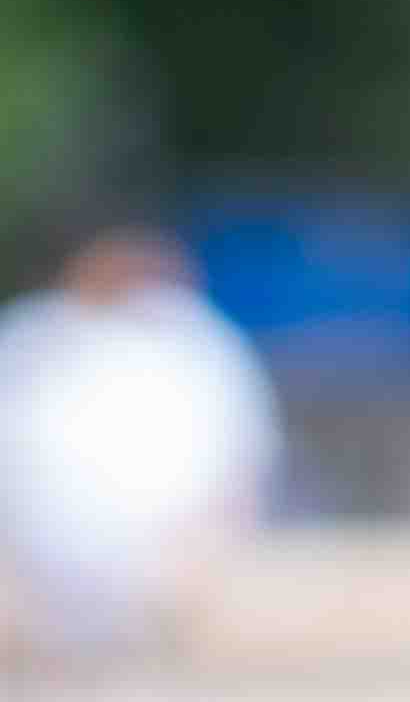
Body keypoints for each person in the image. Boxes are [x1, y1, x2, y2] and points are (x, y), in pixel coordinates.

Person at [0, 230, 280, 662]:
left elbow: (240, 448)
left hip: (163, 548)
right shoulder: (36, 337)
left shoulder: (192, 342)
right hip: (43, 547)